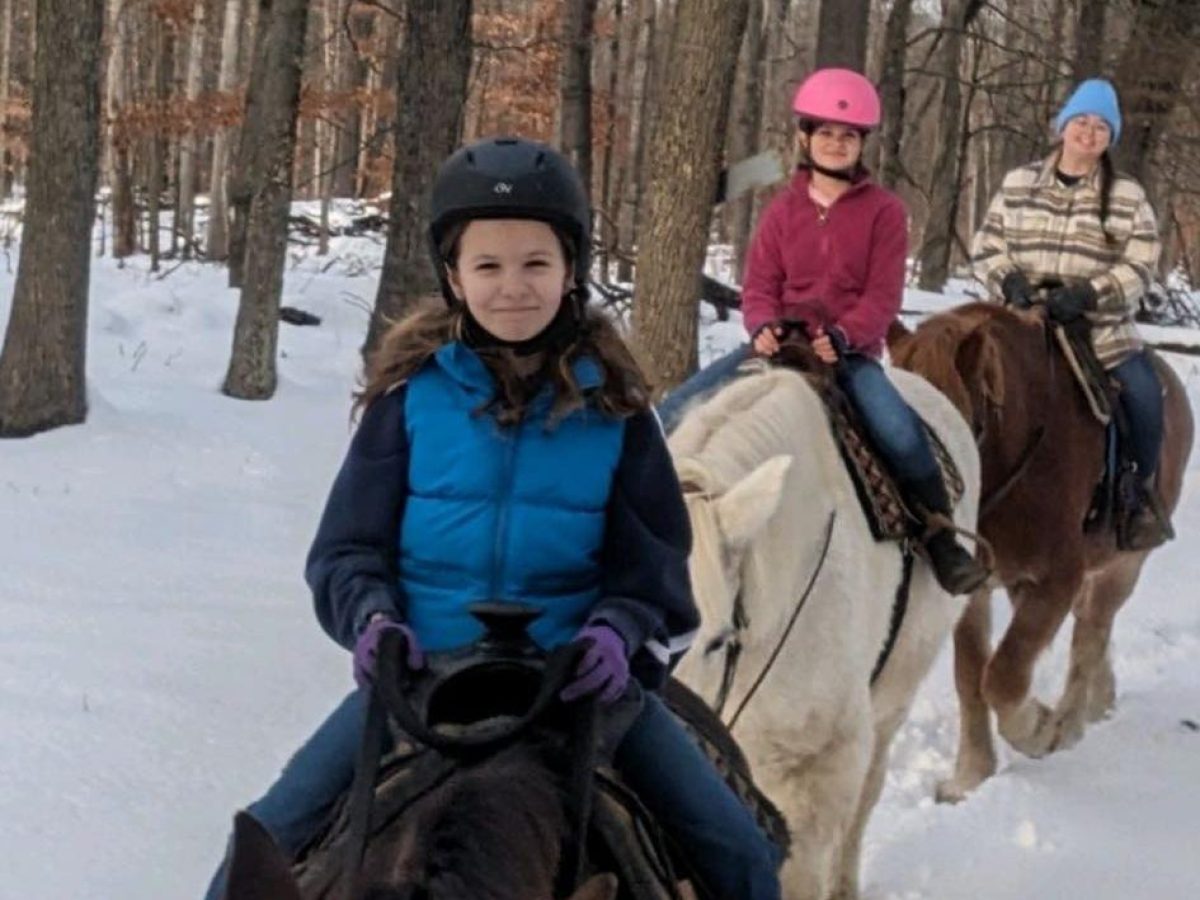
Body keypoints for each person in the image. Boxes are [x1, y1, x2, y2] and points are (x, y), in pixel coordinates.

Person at [203, 137, 781, 900]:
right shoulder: (407, 401)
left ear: (571, 269)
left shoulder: (619, 413)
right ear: (454, 276)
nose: (513, 287)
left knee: (741, 856)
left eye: (536, 263)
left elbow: (655, 572)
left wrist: (615, 633)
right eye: (488, 266)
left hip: (577, 690)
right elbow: (346, 551)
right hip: (420, 683)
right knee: (256, 851)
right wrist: (373, 619)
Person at [659, 67, 988, 595]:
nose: (837, 144)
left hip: (846, 354)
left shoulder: (885, 213)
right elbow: (760, 284)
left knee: (899, 432)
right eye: (827, 133)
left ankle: (940, 537)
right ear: (805, 137)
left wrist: (845, 337)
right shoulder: (781, 210)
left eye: (848, 135)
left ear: (862, 143)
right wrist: (762, 325)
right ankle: (650, 522)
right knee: (673, 410)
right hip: (779, 347)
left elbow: (882, 296)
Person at [972, 78, 1172, 549]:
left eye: (1101, 126)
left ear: (1110, 137)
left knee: (1145, 394)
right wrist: (1009, 281)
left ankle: (1136, 495)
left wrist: (1089, 294)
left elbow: (1142, 264)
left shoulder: (1127, 196)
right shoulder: (1019, 184)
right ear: (1062, 127)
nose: (1088, 132)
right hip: (1019, 321)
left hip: (1096, 328)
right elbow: (987, 245)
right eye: (1081, 121)